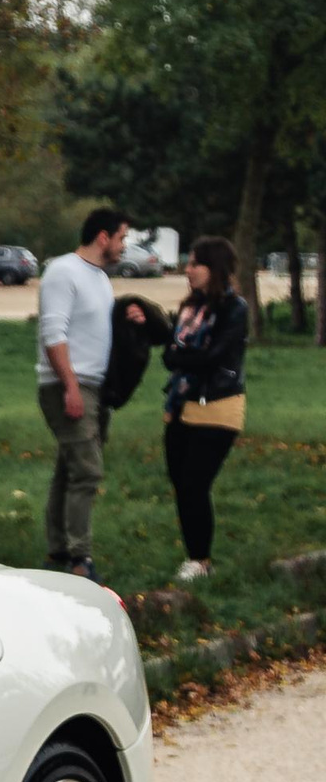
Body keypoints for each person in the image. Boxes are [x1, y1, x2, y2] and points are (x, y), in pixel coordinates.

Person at [33, 206, 129, 579]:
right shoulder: (63, 271)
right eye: (121, 237)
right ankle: (79, 559)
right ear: (103, 237)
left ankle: (58, 550)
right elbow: (53, 333)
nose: (124, 245)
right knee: (87, 471)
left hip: (95, 387)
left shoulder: (100, 278)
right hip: (68, 385)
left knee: (69, 469)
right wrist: (70, 387)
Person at [161, 236, 248, 582]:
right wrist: (183, 356)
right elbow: (168, 356)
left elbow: (213, 358)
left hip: (219, 408)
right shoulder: (188, 308)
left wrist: (181, 356)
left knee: (195, 484)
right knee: (182, 485)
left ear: (215, 268)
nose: (188, 269)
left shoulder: (234, 309)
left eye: (196, 264)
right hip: (181, 407)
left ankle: (200, 560)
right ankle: (196, 555)